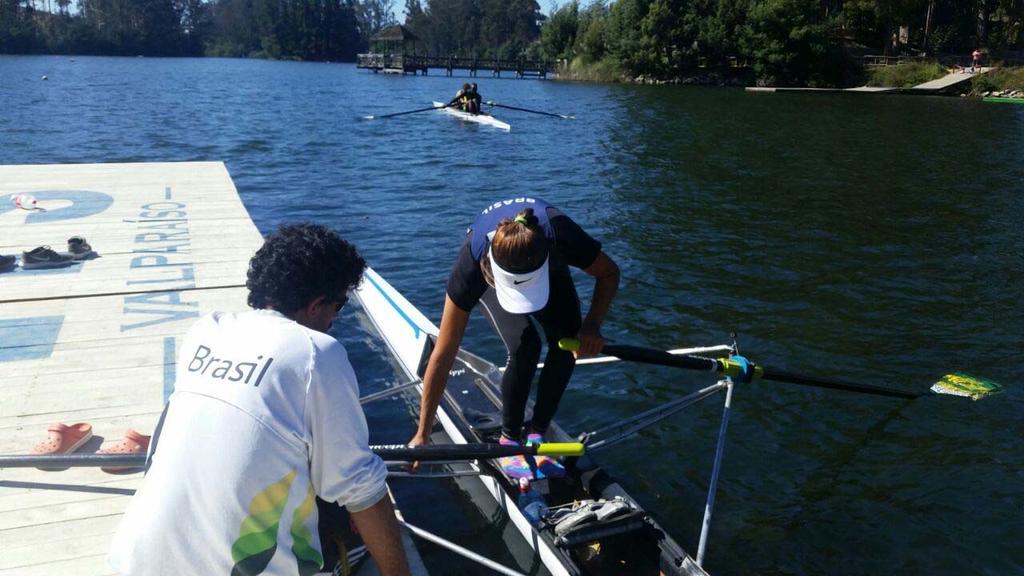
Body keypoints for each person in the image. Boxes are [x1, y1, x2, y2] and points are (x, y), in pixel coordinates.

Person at [108, 224, 410, 576]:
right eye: (338, 305)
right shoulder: (316, 353)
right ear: (316, 304)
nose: (335, 319)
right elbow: (360, 488)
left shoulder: (207, 330)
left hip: (130, 563)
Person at [408, 198, 619, 478]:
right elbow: (444, 352)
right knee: (526, 345)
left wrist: (592, 326)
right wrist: (422, 433)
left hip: (549, 270)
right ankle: (509, 441)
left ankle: (537, 434)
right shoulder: (472, 266)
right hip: (493, 278)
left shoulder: (562, 236)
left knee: (567, 341)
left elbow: (609, 272)